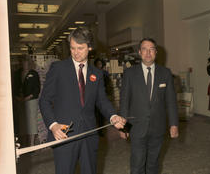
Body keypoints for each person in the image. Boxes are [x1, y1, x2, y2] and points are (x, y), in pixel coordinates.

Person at [39, 27, 126, 174]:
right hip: (64, 135)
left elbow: (101, 100)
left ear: (90, 47)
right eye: (72, 48)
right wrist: (53, 126)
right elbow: (44, 100)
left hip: (89, 135)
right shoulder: (58, 69)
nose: (75, 52)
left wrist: (113, 116)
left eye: (80, 48)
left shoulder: (97, 74)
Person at [119, 38, 179, 174]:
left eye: (151, 49)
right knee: (137, 164)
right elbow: (124, 100)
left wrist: (174, 124)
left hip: (157, 127)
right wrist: (123, 127)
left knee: (153, 164)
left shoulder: (165, 73)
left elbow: (171, 101)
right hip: (136, 126)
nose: (148, 53)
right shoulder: (130, 73)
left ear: (156, 52)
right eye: (144, 49)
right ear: (139, 52)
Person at [13, 56, 41, 146]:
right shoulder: (17, 73)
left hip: (31, 100)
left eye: (26, 62)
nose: (24, 63)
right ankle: (24, 143)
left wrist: (27, 98)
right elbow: (14, 87)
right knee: (22, 122)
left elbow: (37, 89)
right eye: (23, 61)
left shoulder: (34, 73)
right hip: (19, 101)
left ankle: (32, 144)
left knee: (31, 121)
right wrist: (18, 98)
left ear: (29, 63)